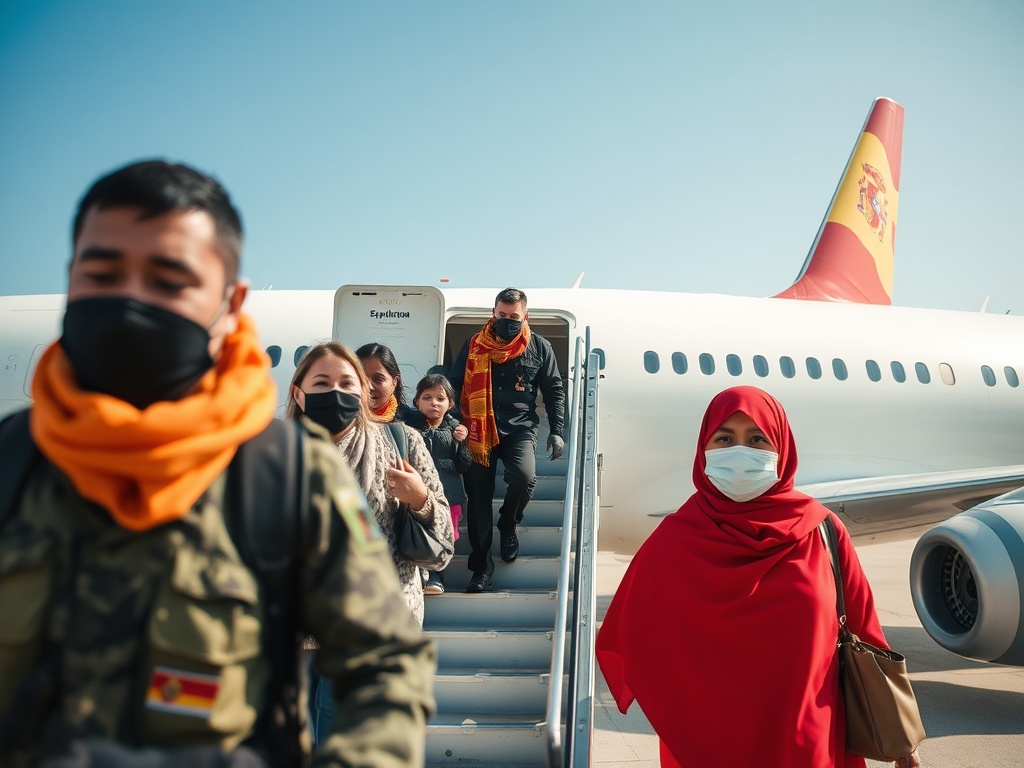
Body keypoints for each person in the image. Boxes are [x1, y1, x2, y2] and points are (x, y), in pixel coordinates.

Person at [0, 160, 435, 767]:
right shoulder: (15, 462)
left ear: (231, 302)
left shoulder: (288, 476)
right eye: (102, 274)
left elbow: (386, 658)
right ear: (71, 279)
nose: (130, 302)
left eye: (168, 280)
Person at [595, 386, 921, 768]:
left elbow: (866, 632)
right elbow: (630, 635)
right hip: (705, 744)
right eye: (725, 438)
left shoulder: (823, 531)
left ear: (781, 448)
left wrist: (901, 735)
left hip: (806, 738)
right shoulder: (673, 539)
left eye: (757, 439)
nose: (741, 452)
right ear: (704, 448)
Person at [287, 342, 454, 625]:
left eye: (347, 382)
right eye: (322, 383)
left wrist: (420, 498)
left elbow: (444, 545)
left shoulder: (402, 442)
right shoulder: (275, 456)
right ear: (299, 394)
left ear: (361, 391)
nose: (336, 392)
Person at [450, 287, 565, 593]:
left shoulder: (539, 347)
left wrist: (558, 429)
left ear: (525, 316)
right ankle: (482, 570)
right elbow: (454, 383)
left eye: (513, 317)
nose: (507, 321)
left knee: (524, 478)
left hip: (519, 428)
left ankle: (509, 523)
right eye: (501, 315)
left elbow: (553, 389)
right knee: (478, 500)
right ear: (493, 313)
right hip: (476, 429)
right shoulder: (473, 344)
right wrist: (449, 422)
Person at [406, 373, 471, 594]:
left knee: (445, 534)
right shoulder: (409, 425)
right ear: (417, 401)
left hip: (449, 494)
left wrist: (462, 444)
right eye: (427, 397)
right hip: (419, 493)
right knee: (421, 532)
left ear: (450, 403)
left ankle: (436, 576)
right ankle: (428, 575)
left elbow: (465, 465)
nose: (434, 402)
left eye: (440, 398)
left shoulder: (456, 429)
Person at [355, 342, 417, 423]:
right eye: (361, 379)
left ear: (395, 381)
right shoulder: (339, 420)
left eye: (378, 379)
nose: (369, 387)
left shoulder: (414, 422)